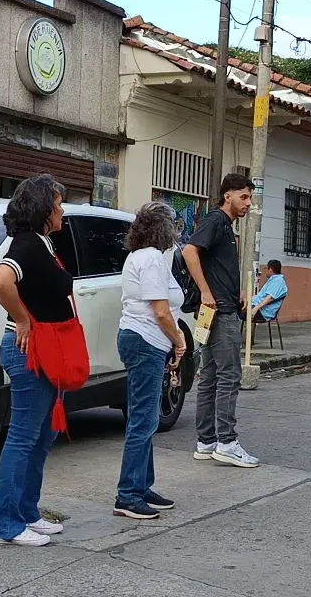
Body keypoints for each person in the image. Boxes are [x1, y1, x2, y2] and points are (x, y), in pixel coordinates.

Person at [0, 175, 70, 547]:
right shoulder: (27, 245)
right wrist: (22, 319)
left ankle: (26, 512)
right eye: (58, 204)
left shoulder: (42, 243)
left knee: (42, 435)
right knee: (23, 437)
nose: (62, 211)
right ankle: (5, 524)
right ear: (43, 209)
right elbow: (1, 281)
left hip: (48, 350)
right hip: (29, 351)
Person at [113, 202, 187, 520]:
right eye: (173, 225)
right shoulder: (153, 259)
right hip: (146, 342)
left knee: (144, 417)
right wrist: (179, 339)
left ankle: (142, 486)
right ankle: (128, 494)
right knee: (143, 420)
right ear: (163, 228)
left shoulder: (138, 256)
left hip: (138, 339)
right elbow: (160, 310)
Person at [183, 173, 258, 468]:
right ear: (228, 195)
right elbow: (190, 251)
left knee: (211, 375)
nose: (248, 203)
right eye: (244, 197)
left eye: (250, 197)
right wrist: (205, 291)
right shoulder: (215, 221)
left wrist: (235, 287)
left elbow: (216, 264)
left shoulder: (225, 226)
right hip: (219, 311)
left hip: (220, 307)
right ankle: (226, 442)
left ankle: (206, 441)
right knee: (229, 375)